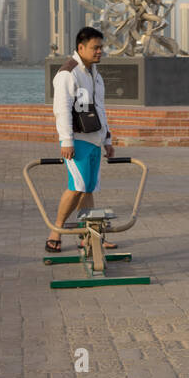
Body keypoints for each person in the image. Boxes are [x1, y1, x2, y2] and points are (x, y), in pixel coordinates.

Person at [47, 26, 116, 253]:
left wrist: (107, 138)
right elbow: (62, 109)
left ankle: (91, 236)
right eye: (95, 48)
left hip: (95, 139)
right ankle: (56, 231)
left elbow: (101, 108)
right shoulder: (68, 73)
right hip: (77, 141)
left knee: (88, 189)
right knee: (77, 187)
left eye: (101, 48)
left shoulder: (95, 75)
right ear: (81, 47)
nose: (99, 52)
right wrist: (66, 140)